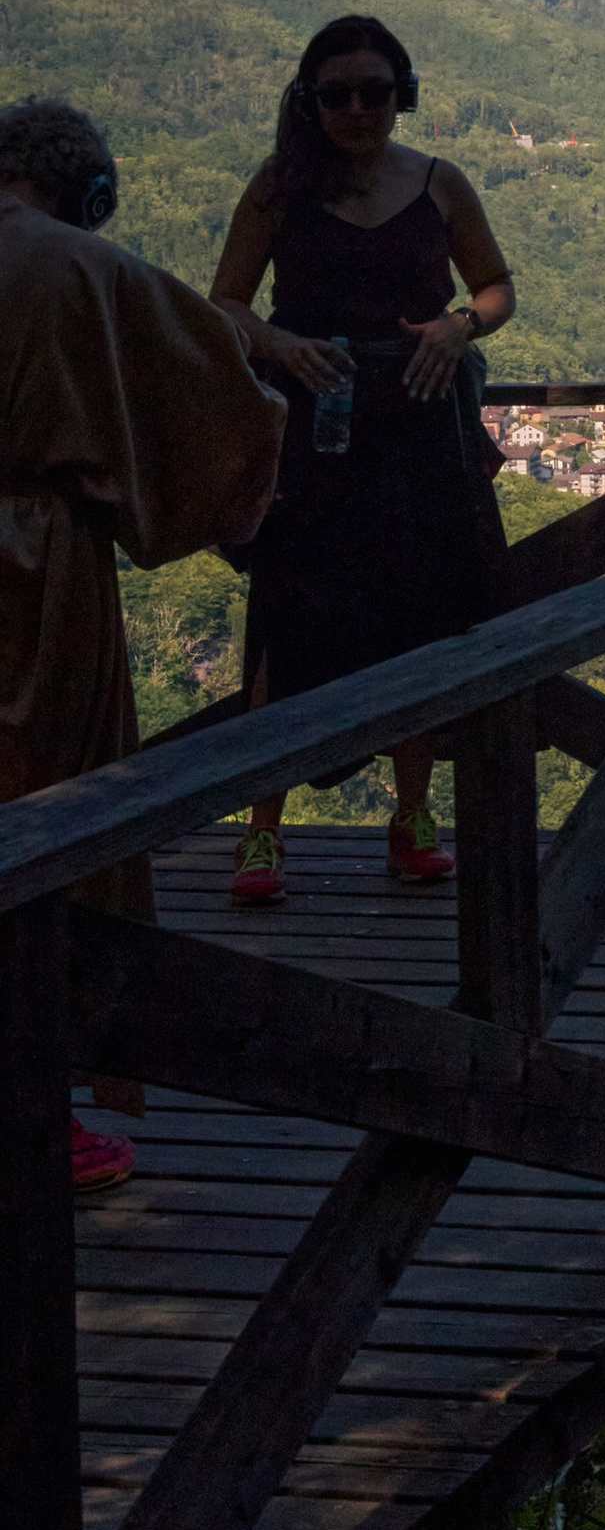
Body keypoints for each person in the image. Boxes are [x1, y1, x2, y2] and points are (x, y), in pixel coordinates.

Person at [0, 95, 284, 1190]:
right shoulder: (81, 268)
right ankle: (42, 1110)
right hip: (36, 580)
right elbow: (215, 386)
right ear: (89, 189)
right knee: (55, 820)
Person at [210, 16, 516, 904]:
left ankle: (412, 818)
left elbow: (495, 288)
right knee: (284, 620)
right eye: (335, 94)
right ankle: (260, 830)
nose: (356, 109)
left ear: (402, 93)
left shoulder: (440, 185)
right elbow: (226, 302)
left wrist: (461, 326)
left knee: (415, 620)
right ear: (310, 102)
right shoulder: (277, 190)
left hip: (419, 434)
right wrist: (278, 343)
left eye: (374, 92)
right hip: (311, 439)